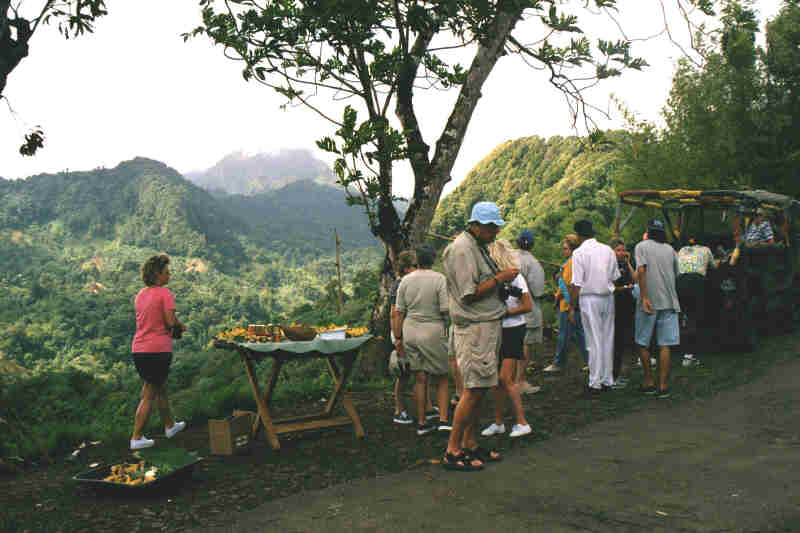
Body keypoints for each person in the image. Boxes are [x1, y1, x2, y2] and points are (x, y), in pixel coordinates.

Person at [441, 201, 519, 471]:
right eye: (492, 227)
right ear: (479, 225)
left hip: (485, 324)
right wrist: (501, 279)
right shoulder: (462, 250)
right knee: (472, 390)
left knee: (480, 387)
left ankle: (470, 444)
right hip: (474, 328)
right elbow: (468, 292)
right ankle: (453, 450)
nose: (495, 232)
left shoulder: (476, 246)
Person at [130, 254, 187, 450]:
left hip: (139, 349)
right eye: (166, 272)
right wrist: (181, 326)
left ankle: (170, 426)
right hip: (157, 350)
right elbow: (170, 322)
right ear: (157, 274)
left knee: (160, 386)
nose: (169, 275)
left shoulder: (140, 295)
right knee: (149, 393)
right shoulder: (165, 294)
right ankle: (136, 437)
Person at [394, 245, 451, 435]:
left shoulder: (405, 281)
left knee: (420, 378)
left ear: (417, 260)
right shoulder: (439, 279)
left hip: (410, 329)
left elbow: (399, 312)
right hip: (433, 329)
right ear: (433, 260)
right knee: (442, 377)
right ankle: (443, 420)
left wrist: (398, 338)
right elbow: (445, 309)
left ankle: (421, 422)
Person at [480, 239, 533, 438]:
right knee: (496, 380)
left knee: (505, 378)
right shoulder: (495, 278)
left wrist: (507, 312)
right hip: (498, 330)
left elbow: (527, 306)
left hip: (513, 329)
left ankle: (522, 422)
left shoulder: (515, 278)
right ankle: (498, 422)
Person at [569, 220, 620, 395]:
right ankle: (607, 379)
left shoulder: (579, 253)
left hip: (589, 297)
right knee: (607, 338)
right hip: (607, 296)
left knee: (593, 340)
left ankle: (595, 381)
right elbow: (615, 275)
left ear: (578, 235)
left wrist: (571, 306)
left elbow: (576, 283)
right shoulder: (607, 250)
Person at [634, 219, 681, 398]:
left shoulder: (641, 246)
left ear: (649, 230)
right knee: (665, 344)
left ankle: (649, 382)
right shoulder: (670, 250)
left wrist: (644, 297)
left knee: (641, 342)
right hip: (670, 301)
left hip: (649, 302)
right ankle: (663, 386)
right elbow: (677, 274)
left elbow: (642, 271)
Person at [543, 234, 589, 373]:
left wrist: (558, 299)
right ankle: (590, 360)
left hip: (568, 304)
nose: (563, 251)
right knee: (581, 334)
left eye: (565, 248)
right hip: (577, 304)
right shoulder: (578, 261)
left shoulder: (571, 263)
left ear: (572, 249)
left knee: (563, 335)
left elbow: (568, 286)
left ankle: (558, 363)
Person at [676, 236, 718, 367]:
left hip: (680, 281)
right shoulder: (706, 250)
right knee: (694, 317)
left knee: (684, 316)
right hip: (696, 282)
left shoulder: (682, 250)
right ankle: (690, 355)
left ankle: (680, 349)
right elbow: (715, 266)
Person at [389, 250, 417, 425]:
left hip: (411, 332)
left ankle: (427, 406)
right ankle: (399, 410)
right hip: (402, 333)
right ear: (406, 269)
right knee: (404, 373)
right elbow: (394, 314)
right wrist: (398, 338)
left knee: (420, 371)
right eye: (415, 266)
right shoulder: (398, 285)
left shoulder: (410, 283)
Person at [515, 229, 544, 394]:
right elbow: (538, 290)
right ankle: (519, 381)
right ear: (532, 244)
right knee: (525, 345)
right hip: (528, 309)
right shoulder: (532, 262)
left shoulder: (508, 257)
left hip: (510, 308)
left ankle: (509, 380)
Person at [611, 238, 637, 388]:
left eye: (623, 250)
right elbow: (612, 287)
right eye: (618, 250)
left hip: (628, 304)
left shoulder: (625, 265)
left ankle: (625, 370)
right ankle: (615, 372)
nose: (621, 253)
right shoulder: (611, 265)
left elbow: (635, 278)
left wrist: (628, 262)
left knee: (628, 338)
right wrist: (624, 288)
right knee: (617, 341)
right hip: (616, 304)